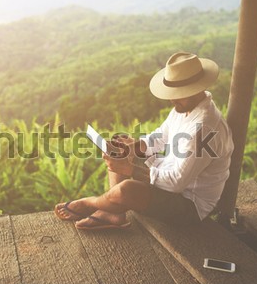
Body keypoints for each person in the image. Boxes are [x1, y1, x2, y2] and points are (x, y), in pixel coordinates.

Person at [54, 52, 234, 229]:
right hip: (166, 173)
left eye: (179, 93)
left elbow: (175, 183)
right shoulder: (186, 108)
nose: (172, 99)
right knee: (119, 149)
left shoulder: (203, 130)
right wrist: (134, 147)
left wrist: (129, 169)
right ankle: (113, 212)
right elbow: (160, 137)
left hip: (188, 204)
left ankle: (92, 204)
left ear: (197, 89)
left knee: (126, 190)